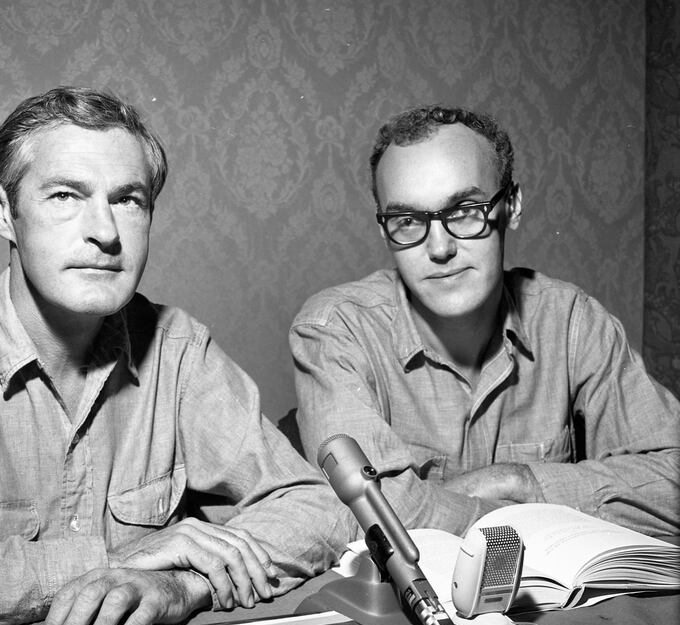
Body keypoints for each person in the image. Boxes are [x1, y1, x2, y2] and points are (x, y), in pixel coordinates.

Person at [0, 87, 349, 625]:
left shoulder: (178, 351)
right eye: (64, 195)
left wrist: (180, 584)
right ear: (3, 211)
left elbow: (317, 508)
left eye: (128, 200)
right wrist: (105, 560)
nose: (104, 232)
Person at [290, 105, 679, 539]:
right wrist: (536, 512)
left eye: (464, 210)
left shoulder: (573, 322)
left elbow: (672, 481)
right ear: (384, 230)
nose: (439, 248)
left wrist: (522, 481)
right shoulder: (335, 330)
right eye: (407, 220)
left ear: (511, 205)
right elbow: (372, 517)